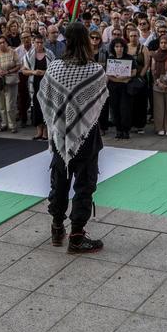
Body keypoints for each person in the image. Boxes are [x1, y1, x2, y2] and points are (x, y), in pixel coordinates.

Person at [38, 22, 107, 254]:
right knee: (84, 184)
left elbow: (43, 96)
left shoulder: (54, 68)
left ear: (66, 41)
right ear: (87, 41)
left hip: (59, 136)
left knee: (60, 181)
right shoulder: (95, 70)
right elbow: (99, 102)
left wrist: (56, 122)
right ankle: (77, 235)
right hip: (86, 137)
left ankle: (57, 228)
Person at [22, 35, 53, 141]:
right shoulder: (28, 55)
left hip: (47, 84)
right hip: (34, 84)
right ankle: (39, 131)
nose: (39, 44)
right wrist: (33, 72)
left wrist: (44, 72)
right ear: (33, 43)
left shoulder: (50, 54)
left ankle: (46, 132)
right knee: (36, 107)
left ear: (44, 43)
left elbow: (55, 70)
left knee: (46, 106)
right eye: (37, 42)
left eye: (41, 42)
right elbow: (24, 71)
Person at [0, 36, 20, 133]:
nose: (2, 44)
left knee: (10, 104)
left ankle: (12, 125)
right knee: (1, 104)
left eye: (3, 42)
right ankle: (4, 123)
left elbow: (19, 65)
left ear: (7, 43)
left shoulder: (13, 53)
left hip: (10, 80)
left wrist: (8, 71)